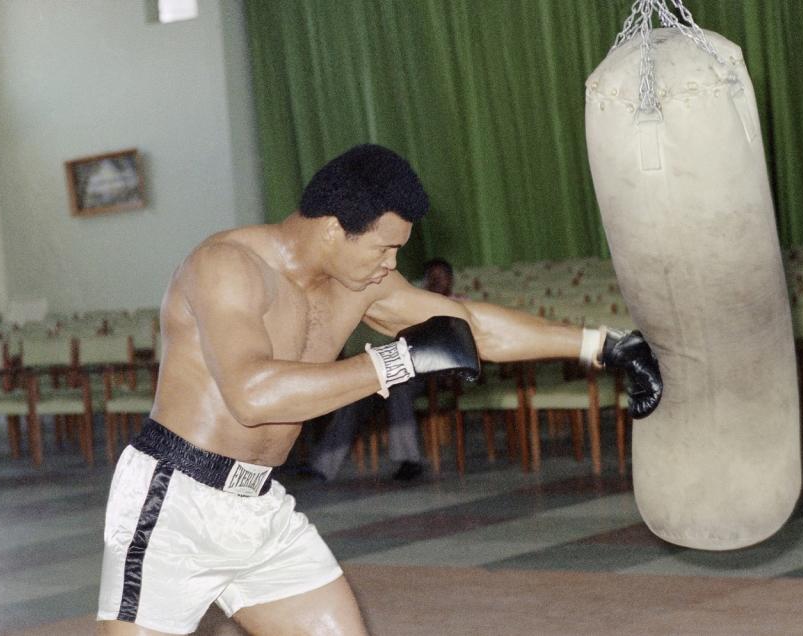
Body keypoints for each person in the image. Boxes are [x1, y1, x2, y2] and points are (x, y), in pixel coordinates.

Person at [96, 144, 662, 635]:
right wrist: (396, 361)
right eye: (383, 249)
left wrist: (604, 345)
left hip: (258, 505)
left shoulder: (359, 279)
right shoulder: (226, 266)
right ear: (332, 228)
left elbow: (467, 326)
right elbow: (251, 395)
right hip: (174, 501)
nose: (391, 265)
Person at [309, 257, 465, 482]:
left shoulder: (457, 305)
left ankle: (409, 460)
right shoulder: (416, 303)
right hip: (399, 371)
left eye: (441, 277)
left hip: (430, 375)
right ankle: (322, 466)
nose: (436, 282)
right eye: (432, 277)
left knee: (399, 390)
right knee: (354, 396)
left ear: (450, 280)